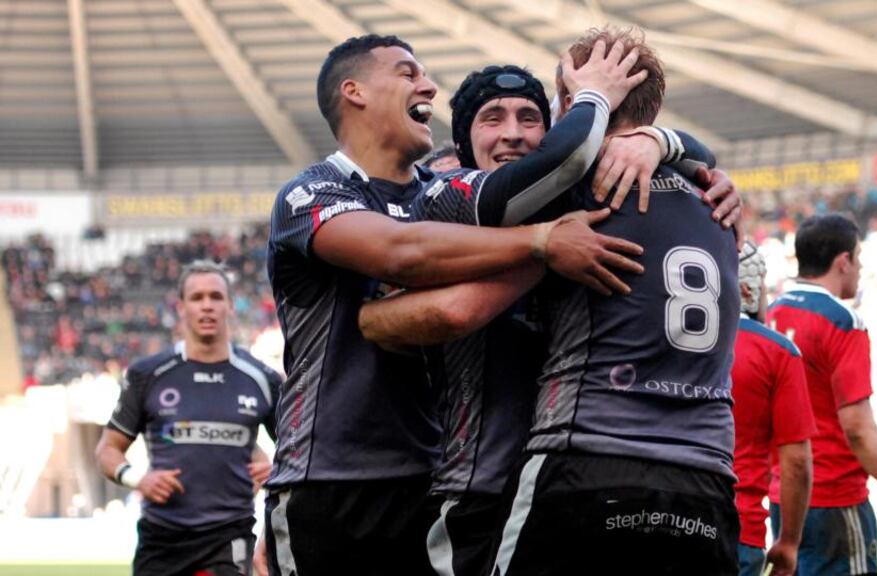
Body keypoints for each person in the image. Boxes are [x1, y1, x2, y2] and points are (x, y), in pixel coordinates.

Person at [264, 34, 655, 576]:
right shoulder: (310, 193)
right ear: (354, 92)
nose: (428, 86)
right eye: (408, 73)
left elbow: (533, 179)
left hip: (431, 477)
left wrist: (658, 140)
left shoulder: (440, 192)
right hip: (330, 481)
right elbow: (402, 253)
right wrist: (543, 243)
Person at [358, 46, 723, 575]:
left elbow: (582, 160)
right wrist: (545, 249)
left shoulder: (583, 192)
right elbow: (400, 318)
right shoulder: (450, 194)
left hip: (567, 469)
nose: (512, 133)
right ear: (463, 142)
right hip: (481, 487)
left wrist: (659, 141)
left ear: (558, 126)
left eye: (530, 118)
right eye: (492, 118)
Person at [476, 27, 741, 575]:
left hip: (587, 459)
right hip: (706, 482)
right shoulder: (718, 204)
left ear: (570, 100)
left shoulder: (570, 191)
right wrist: (670, 142)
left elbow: (495, 203)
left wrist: (591, 106)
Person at [766, 214, 877, 575]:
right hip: (834, 496)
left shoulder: (771, 315)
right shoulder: (842, 321)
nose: (860, 268)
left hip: (784, 497)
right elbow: (857, 428)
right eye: (858, 257)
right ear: (843, 261)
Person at [95, 260, 281, 576]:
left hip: (231, 535)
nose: (207, 305)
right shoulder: (148, 374)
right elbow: (107, 450)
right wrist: (138, 479)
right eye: (197, 298)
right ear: (181, 308)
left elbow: (301, 452)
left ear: (230, 306)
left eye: (216, 297)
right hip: (162, 539)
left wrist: (277, 471)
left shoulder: (262, 378)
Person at [731, 242, 814, 576]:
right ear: (748, 289)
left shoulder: (662, 339)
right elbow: (796, 461)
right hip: (738, 525)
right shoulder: (776, 350)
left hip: (659, 516)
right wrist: (789, 541)